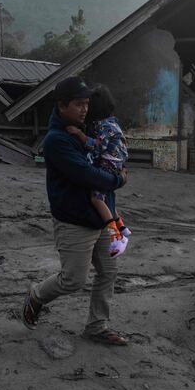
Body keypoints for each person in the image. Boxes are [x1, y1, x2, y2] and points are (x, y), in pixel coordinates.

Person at [22, 76, 129, 346]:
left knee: (108, 272)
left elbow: (106, 157)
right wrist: (118, 180)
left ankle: (97, 326)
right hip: (74, 222)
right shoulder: (57, 140)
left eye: (87, 104)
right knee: (73, 281)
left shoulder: (89, 129)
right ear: (61, 105)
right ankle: (36, 295)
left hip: (101, 219)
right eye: (79, 104)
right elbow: (87, 175)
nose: (84, 109)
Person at [65, 84, 132, 257]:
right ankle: (123, 228)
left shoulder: (103, 126)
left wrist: (80, 135)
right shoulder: (114, 123)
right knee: (107, 198)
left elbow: (98, 147)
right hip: (117, 164)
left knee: (96, 198)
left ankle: (116, 237)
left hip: (109, 164)